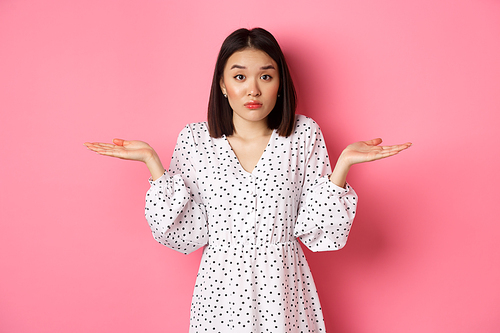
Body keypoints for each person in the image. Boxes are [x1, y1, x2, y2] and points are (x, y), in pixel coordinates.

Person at [85, 28, 411, 333]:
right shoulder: (196, 141)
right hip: (220, 292)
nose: (252, 89)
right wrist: (152, 163)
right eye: (239, 76)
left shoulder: (303, 135)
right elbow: (186, 233)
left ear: (280, 83)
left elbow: (319, 232)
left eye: (265, 76)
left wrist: (343, 166)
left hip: (283, 287)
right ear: (223, 85)